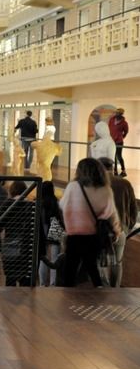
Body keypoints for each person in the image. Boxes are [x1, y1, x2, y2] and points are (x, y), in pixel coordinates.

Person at [59, 158, 121, 287]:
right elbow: (111, 214)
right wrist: (116, 231)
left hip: (74, 236)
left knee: (70, 270)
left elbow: (63, 205)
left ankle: (67, 300)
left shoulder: (73, 186)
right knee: (93, 269)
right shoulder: (106, 189)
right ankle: (97, 293)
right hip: (94, 236)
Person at [99, 157, 137, 287]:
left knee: (100, 260)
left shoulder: (98, 184)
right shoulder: (125, 184)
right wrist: (128, 227)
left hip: (102, 230)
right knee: (117, 262)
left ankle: (103, 288)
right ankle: (115, 289)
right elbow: (134, 208)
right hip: (121, 229)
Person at [0, 181, 37, 287]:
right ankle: (26, 302)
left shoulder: (7, 204)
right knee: (25, 278)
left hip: (10, 242)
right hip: (27, 245)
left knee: (10, 277)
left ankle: (9, 302)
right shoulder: (31, 205)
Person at [39, 181, 64, 286]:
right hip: (55, 231)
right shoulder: (56, 202)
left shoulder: (39, 203)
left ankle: (42, 283)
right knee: (55, 259)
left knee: (43, 258)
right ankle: (53, 283)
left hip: (42, 231)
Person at [108, 107, 129, 176]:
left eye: (119, 113)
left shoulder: (124, 123)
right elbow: (109, 128)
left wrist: (121, 137)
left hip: (119, 142)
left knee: (118, 156)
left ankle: (123, 170)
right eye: (116, 113)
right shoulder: (111, 120)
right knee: (113, 156)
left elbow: (126, 131)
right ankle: (115, 171)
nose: (117, 114)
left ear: (121, 114)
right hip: (111, 141)